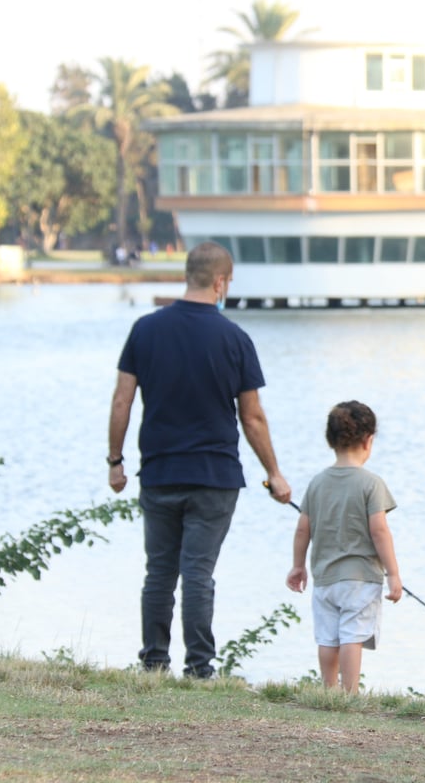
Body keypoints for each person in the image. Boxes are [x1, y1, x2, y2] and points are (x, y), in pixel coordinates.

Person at [107, 241, 292, 679]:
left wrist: (115, 461)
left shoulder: (145, 330)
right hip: (215, 477)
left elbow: (121, 401)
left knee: (159, 572)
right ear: (221, 282)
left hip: (159, 472)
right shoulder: (235, 338)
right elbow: (252, 416)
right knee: (198, 573)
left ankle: (153, 663)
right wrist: (274, 473)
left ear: (188, 276)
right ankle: (199, 669)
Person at [286, 401, 402, 692]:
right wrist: (393, 574)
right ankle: (350, 693)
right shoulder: (371, 484)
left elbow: (303, 529)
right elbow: (379, 530)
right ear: (368, 440)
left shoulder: (317, 483)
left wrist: (298, 566)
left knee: (327, 637)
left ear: (330, 441)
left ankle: (329, 690)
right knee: (353, 636)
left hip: (325, 578)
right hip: (360, 578)